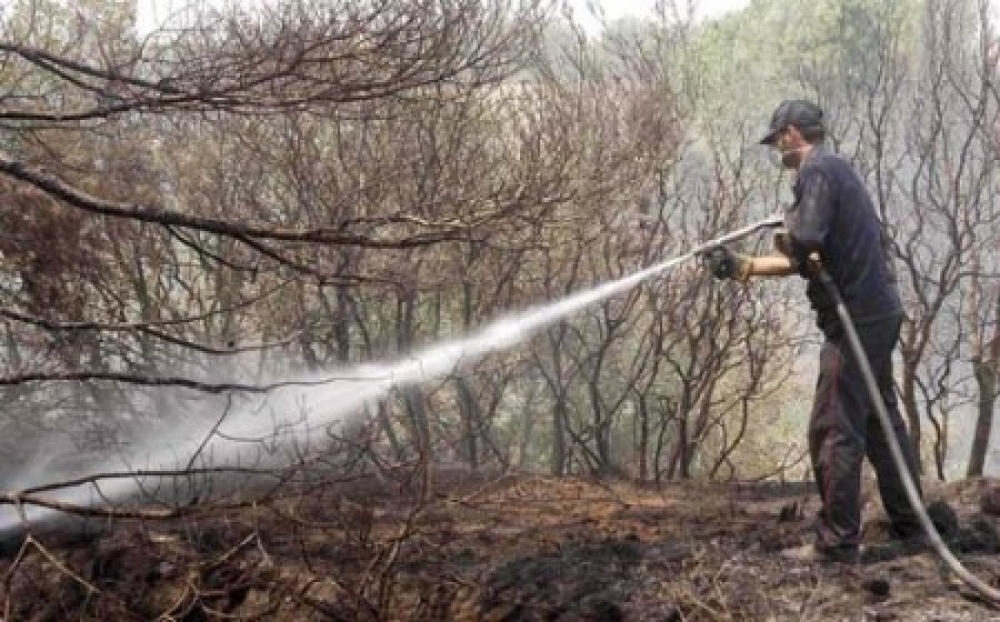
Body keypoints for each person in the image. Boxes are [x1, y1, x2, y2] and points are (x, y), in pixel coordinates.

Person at [702, 99, 924, 564]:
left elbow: (805, 244)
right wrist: (742, 266)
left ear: (790, 134)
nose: (778, 152)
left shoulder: (816, 170)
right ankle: (913, 525)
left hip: (855, 321)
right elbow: (810, 257)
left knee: (834, 427)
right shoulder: (834, 171)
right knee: (880, 422)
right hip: (878, 313)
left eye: (777, 142)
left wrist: (788, 235)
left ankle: (837, 541)